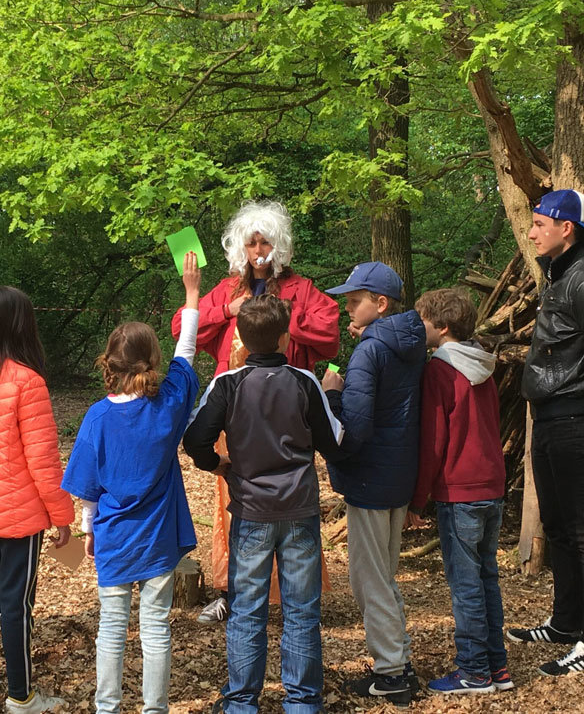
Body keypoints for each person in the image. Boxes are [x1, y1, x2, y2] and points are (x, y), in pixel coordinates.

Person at [171, 200, 340, 623]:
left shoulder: (300, 288)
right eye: (251, 242)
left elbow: (329, 332)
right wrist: (226, 311)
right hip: (236, 412)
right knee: (233, 499)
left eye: (265, 241)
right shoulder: (229, 289)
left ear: (278, 246)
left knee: (290, 498)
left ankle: (292, 595)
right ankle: (235, 591)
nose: (258, 249)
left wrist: (284, 317)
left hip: (288, 410)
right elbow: (181, 327)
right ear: (240, 248)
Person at [183, 294, 344, 714]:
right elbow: (335, 442)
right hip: (299, 512)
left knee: (247, 611)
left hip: (251, 511)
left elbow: (195, 439)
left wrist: (218, 464)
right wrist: (334, 396)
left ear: (240, 337)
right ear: (286, 337)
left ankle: (241, 703)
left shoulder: (228, 384)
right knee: (301, 611)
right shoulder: (306, 382)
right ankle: (303, 703)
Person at [62, 252, 202, 714]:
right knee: (157, 627)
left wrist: (88, 533)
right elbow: (187, 352)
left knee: (112, 627)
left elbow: (86, 489)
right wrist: (192, 293)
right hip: (158, 538)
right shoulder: (169, 404)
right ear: (150, 359)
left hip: (116, 538)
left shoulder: (98, 418)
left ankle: (107, 708)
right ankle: (155, 709)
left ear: (110, 361)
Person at [507, 189, 584, 676]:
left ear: (566, 228)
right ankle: (565, 623)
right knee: (557, 527)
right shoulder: (560, 275)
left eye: (539, 224)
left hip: (579, 417)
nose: (531, 231)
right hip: (552, 417)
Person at [0, 286, 74, 714]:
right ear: (23, 325)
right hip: (20, 517)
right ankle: (21, 696)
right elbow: (42, 459)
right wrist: (62, 517)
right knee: (16, 605)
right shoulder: (27, 381)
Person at [322, 261, 426, 707]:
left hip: (369, 477)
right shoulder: (410, 342)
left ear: (379, 304)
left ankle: (391, 674)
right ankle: (397, 662)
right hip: (399, 473)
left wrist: (330, 393)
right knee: (384, 575)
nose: (348, 308)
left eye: (354, 301)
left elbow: (356, 429)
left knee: (371, 581)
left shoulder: (370, 351)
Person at [407, 288, 509, 694]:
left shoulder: (440, 370)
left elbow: (434, 439)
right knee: (487, 578)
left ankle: (474, 671)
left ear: (442, 327)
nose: (419, 328)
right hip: (491, 486)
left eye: (423, 321)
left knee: (466, 583)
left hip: (459, 491)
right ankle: (496, 667)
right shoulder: (484, 365)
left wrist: (419, 499)